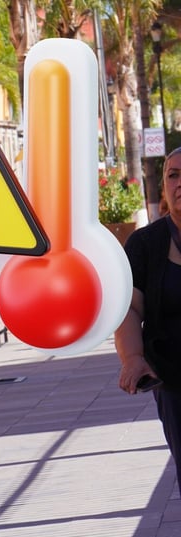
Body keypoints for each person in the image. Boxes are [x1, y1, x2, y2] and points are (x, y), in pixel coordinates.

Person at [115, 147, 181, 489]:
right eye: (173, 175)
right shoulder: (144, 245)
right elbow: (129, 307)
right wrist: (133, 358)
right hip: (174, 378)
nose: (180, 183)